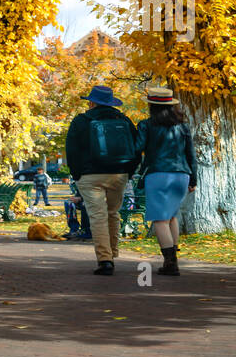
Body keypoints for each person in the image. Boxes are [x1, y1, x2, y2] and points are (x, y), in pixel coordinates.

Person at [65, 84, 138, 275]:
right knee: (113, 213)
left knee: (97, 216)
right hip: (119, 173)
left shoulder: (81, 121)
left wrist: (76, 174)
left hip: (90, 175)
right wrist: (129, 171)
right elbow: (136, 147)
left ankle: (105, 260)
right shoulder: (123, 119)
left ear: (91, 102)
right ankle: (113, 253)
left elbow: (71, 150)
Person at [133, 86, 197, 276]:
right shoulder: (183, 126)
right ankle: (173, 258)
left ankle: (170, 263)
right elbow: (191, 155)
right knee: (171, 217)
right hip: (182, 175)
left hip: (158, 174)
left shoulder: (146, 125)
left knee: (160, 220)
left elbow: (137, 148)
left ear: (152, 106)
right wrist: (194, 179)